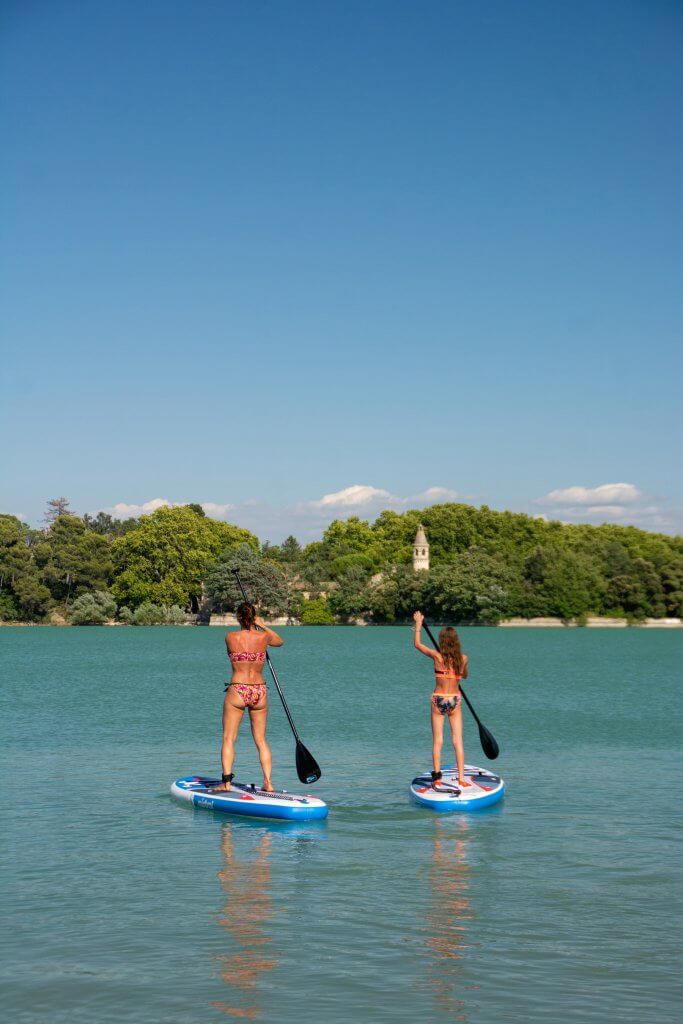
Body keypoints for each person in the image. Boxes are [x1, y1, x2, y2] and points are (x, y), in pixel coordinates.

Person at [213, 601, 284, 792]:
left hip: (238, 689)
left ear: (238, 617)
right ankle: (268, 782)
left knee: (229, 738)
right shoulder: (264, 637)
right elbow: (279, 641)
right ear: (254, 617)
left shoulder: (230, 637)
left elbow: (231, 653)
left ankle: (226, 783)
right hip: (259, 690)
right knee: (261, 740)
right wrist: (262, 625)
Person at [412, 611, 469, 788]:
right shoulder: (463, 658)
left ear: (442, 641)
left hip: (438, 700)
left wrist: (419, 625)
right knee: (457, 740)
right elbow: (464, 676)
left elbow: (417, 645)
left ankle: (437, 777)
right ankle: (461, 778)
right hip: (455, 700)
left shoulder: (437, 656)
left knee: (438, 740)